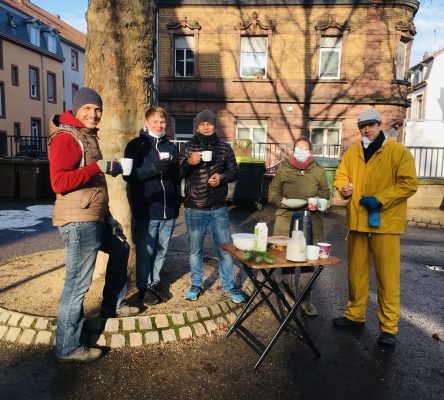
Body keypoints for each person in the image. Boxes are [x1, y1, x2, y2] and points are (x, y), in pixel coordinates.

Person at [48, 87, 140, 363]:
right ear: (76, 110)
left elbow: (96, 184)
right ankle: (67, 347)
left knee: (121, 249)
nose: (94, 113)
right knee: (76, 285)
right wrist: (97, 167)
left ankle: (111, 305)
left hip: (94, 217)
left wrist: (109, 215)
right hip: (78, 221)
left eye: (97, 109)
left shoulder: (86, 136)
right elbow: (59, 182)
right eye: (88, 108)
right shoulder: (66, 138)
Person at [333, 108, 418, 347]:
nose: (367, 129)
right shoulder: (353, 152)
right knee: (356, 274)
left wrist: (381, 199)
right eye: (363, 126)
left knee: (387, 278)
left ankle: (389, 328)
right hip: (358, 222)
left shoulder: (398, 152)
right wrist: (343, 188)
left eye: (371, 125)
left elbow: (409, 184)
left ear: (380, 125)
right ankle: (355, 315)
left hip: (386, 225)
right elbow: (340, 175)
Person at [178, 110, 246, 303]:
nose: (206, 127)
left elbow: (235, 172)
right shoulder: (188, 147)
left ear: (214, 126)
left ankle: (228, 286)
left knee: (225, 249)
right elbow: (178, 173)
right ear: (197, 126)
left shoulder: (224, 148)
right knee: (195, 249)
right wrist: (189, 162)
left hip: (218, 207)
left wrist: (222, 178)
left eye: (210, 124)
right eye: (202, 124)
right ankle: (196, 283)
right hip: (195, 206)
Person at [269, 137, 330, 316]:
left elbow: (326, 192)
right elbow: (273, 190)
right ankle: (289, 296)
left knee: (308, 263)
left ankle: (306, 300)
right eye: (298, 149)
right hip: (286, 217)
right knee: (285, 260)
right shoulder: (284, 168)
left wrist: (320, 200)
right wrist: (280, 201)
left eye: (305, 149)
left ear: (310, 151)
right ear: (293, 150)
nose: (301, 152)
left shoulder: (318, 170)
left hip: (310, 218)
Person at [123, 107, 179, 306]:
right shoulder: (135, 145)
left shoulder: (171, 147)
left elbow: (175, 180)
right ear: (147, 122)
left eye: (162, 122)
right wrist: (153, 169)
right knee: (145, 252)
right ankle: (143, 287)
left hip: (168, 211)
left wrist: (177, 202)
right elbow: (128, 175)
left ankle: (154, 283)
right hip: (147, 210)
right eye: (155, 121)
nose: (159, 125)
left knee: (161, 251)